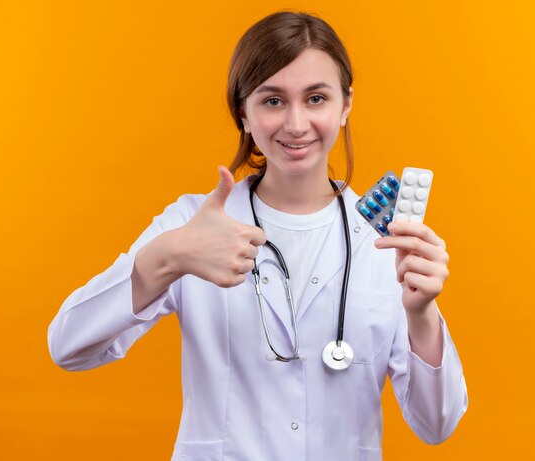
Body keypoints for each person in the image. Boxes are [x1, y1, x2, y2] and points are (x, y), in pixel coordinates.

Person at [48, 11, 467, 460]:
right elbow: (68, 347)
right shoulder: (193, 223)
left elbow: (436, 425)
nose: (296, 124)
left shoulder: (387, 244)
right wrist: (168, 257)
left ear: (345, 105)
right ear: (242, 113)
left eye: (316, 98)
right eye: (272, 101)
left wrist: (421, 312)